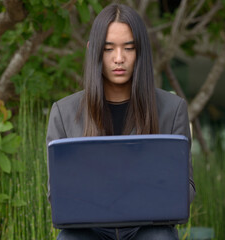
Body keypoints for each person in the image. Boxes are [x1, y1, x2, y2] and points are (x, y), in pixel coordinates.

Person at [46, 3, 195, 240]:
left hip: (148, 227)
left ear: (141, 51)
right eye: (108, 49)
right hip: (88, 230)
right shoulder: (63, 113)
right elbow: (58, 195)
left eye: (129, 48)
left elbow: (186, 189)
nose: (118, 58)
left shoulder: (173, 109)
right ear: (92, 50)